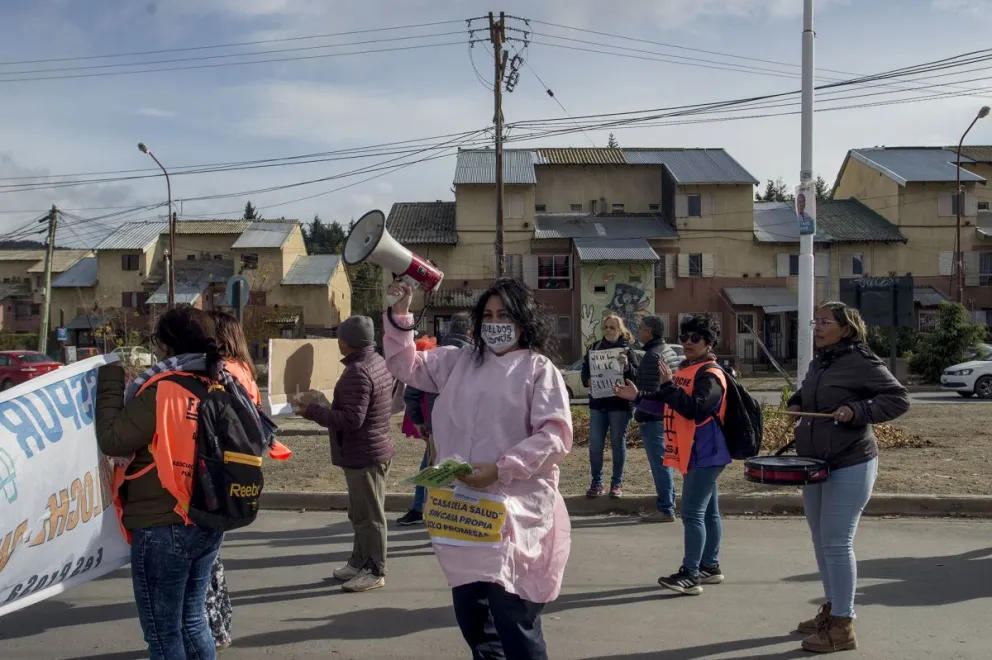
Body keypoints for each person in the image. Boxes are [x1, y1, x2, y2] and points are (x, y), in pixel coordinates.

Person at [383, 278, 572, 660]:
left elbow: (554, 435)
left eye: (504, 314)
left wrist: (501, 469)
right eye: (487, 314)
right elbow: (406, 365)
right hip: (464, 513)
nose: (495, 321)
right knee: (474, 620)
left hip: (515, 515)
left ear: (523, 319)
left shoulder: (538, 369)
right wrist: (401, 310)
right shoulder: (459, 361)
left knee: (515, 622)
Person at [95, 307, 274, 660]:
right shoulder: (221, 383)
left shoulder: (164, 389)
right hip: (208, 517)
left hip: (163, 521)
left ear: (166, 345)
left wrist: (110, 381)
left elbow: (114, 439)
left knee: (163, 635)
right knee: (193, 621)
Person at [787, 302, 909, 653]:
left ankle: (843, 625)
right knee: (820, 540)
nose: (817, 326)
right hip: (815, 463)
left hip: (851, 462)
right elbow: (813, 394)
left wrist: (858, 411)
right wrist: (797, 401)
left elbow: (898, 399)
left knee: (837, 542)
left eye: (825, 321)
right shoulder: (820, 360)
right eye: (816, 321)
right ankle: (831, 608)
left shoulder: (862, 360)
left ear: (847, 327)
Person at [616, 314, 731, 596]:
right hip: (695, 451)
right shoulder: (686, 368)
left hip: (706, 452)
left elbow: (695, 408)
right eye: (684, 337)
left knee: (692, 513)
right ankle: (709, 566)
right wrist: (639, 397)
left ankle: (691, 574)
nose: (688, 342)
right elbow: (668, 404)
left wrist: (667, 388)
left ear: (709, 342)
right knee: (708, 512)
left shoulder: (711, 374)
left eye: (695, 339)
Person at [202, 311, 291, 651]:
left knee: (207, 555)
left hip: (221, 463)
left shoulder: (223, 373)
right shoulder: (246, 370)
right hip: (242, 464)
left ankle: (212, 629)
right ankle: (220, 625)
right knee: (213, 554)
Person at [296, 315, 394, 593]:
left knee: (370, 517)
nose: (337, 342)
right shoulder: (375, 362)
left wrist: (312, 411)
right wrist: (325, 403)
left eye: (340, 337)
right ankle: (359, 561)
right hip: (370, 449)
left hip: (364, 454)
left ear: (347, 342)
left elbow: (352, 420)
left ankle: (375, 570)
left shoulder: (357, 372)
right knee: (360, 512)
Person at [396, 313, 473, 526]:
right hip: (469, 432)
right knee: (465, 478)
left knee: (434, 474)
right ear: (470, 333)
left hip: (436, 429)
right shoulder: (476, 359)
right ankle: (460, 522)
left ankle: (430, 515)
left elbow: (412, 392)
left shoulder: (434, 356)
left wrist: (419, 421)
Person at [580, 314, 639, 499]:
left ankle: (616, 483)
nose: (608, 330)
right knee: (595, 445)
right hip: (598, 404)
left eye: (612, 327)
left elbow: (637, 377)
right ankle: (596, 482)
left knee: (617, 444)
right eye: (606, 327)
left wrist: (627, 366)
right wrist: (587, 380)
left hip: (619, 405)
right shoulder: (594, 348)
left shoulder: (628, 351)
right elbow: (585, 371)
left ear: (620, 330)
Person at [633, 315, 681, 522]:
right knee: (665, 462)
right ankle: (668, 502)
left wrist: (641, 415)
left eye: (640, 328)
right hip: (666, 416)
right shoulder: (667, 351)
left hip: (654, 418)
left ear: (648, 333)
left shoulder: (653, 356)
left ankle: (665, 508)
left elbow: (653, 392)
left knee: (660, 463)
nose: (637, 331)